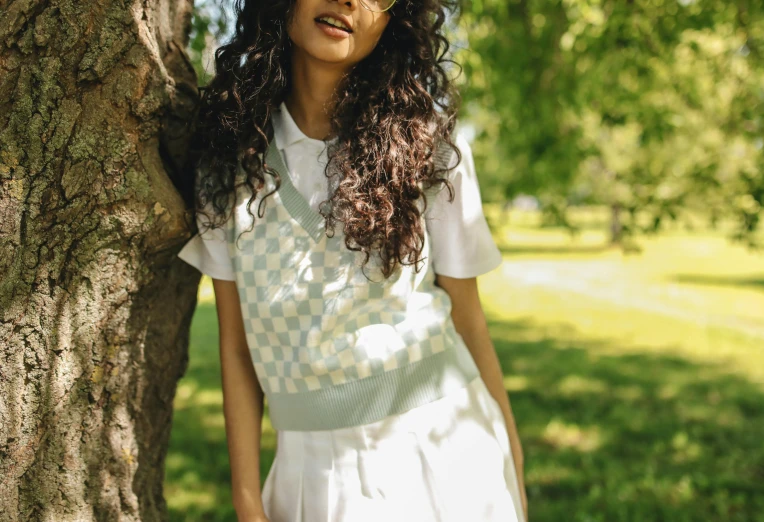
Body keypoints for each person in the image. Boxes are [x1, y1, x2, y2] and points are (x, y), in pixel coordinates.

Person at [176, 0, 528, 520]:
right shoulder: (227, 163)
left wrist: (510, 459)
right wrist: (247, 499)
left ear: (393, 22)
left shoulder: (429, 149)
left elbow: (468, 319)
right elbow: (236, 347)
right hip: (310, 478)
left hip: (447, 454)